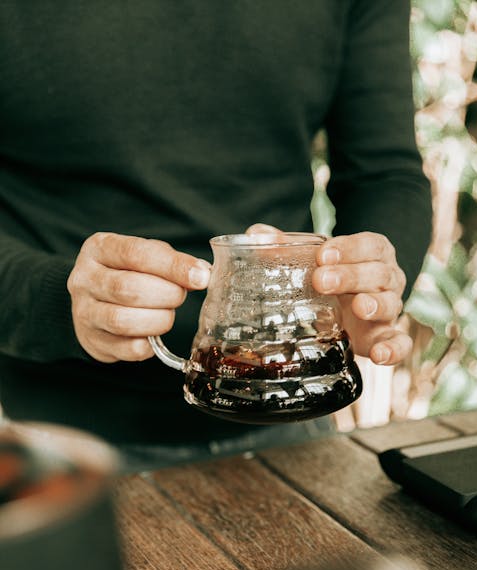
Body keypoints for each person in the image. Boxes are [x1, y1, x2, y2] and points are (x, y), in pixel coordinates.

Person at [0, 2, 431, 469]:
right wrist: (58, 301)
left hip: (291, 421)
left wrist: (365, 283)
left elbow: (386, 173)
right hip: (52, 439)